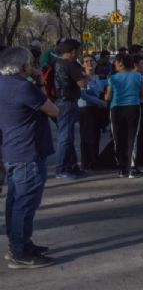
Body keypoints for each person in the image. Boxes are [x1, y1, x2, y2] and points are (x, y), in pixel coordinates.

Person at [0, 46, 59, 268]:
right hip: (28, 151)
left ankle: (19, 243)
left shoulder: (3, 84)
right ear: (23, 66)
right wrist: (41, 82)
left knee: (16, 201)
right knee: (24, 204)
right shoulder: (24, 88)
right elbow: (53, 110)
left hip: (12, 150)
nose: (33, 66)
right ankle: (20, 251)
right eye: (31, 63)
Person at [105, 53, 143, 178]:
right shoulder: (137, 76)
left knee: (118, 138)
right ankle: (132, 167)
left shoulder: (113, 78)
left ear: (121, 63)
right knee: (132, 137)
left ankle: (122, 167)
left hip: (116, 109)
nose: (114, 64)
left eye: (116, 62)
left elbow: (108, 96)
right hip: (133, 108)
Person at [53, 38, 86, 179]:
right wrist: (85, 76)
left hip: (59, 101)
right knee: (65, 138)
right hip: (68, 102)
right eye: (78, 50)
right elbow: (82, 84)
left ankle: (71, 166)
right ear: (72, 52)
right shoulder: (71, 65)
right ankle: (61, 169)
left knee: (68, 137)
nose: (79, 52)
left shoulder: (57, 63)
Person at [78, 54, 108, 171]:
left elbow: (99, 90)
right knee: (87, 137)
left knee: (96, 136)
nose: (90, 63)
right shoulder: (81, 77)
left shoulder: (96, 77)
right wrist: (100, 102)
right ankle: (86, 162)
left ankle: (95, 160)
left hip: (96, 109)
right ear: (82, 64)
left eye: (92, 61)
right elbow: (83, 95)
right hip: (85, 109)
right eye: (86, 61)